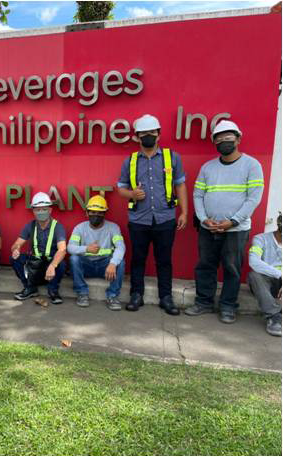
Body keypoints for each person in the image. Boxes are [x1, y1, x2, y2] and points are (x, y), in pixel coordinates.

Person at [186, 120, 265, 324]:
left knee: (232, 268)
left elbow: (253, 198)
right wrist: (204, 220)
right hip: (208, 228)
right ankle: (204, 302)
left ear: (238, 138)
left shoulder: (252, 165)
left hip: (235, 230)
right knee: (205, 266)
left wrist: (233, 221)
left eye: (228, 137)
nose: (223, 141)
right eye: (219, 139)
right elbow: (197, 195)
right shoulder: (208, 168)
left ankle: (228, 306)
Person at [116, 114, 188, 315]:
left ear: (159, 134)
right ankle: (136, 295)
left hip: (165, 218)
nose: (148, 136)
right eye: (143, 133)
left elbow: (180, 184)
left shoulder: (172, 157)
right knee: (138, 259)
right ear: (137, 137)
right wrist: (131, 194)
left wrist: (184, 212)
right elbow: (120, 187)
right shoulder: (130, 161)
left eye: (152, 132)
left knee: (164, 260)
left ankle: (166, 298)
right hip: (139, 219)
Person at [67, 195, 126, 310]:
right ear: (87, 213)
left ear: (105, 213)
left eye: (100, 213)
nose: (96, 215)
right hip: (87, 266)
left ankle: (113, 296)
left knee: (121, 262)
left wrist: (113, 263)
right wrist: (86, 249)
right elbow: (70, 247)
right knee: (74, 259)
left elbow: (121, 247)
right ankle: (82, 293)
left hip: (106, 268)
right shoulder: (79, 228)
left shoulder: (113, 228)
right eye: (93, 212)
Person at [10, 192, 66, 305]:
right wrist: (16, 249)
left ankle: (53, 290)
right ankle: (30, 288)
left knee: (62, 263)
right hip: (35, 261)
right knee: (15, 259)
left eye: (44, 209)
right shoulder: (30, 226)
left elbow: (62, 250)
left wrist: (53, 265)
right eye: (37, 210)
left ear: (50, 210)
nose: (41, 212)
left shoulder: (57, 226)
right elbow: (16, 244)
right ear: (33, 211)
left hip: (50, 261)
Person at [248, 213, 282, 336]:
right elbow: (254, 262)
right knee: (254, 276)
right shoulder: (260, 239)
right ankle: (274, 316)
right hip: (265, 282)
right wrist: (280, 275)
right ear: (280, 227)